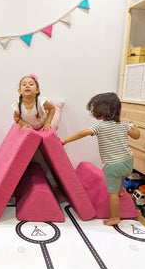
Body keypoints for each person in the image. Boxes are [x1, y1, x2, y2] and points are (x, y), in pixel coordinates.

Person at [60, 92, 140, 226]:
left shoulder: (100, 126)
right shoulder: (124, 125)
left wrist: (66, 140)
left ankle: (115, 217)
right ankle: (120, 189)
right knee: (119, 175)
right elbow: (137, 136)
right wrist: (133, 126)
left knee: (112, 192)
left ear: (103, 111)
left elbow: (82, 133)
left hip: (113, 165)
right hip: (128, 162)